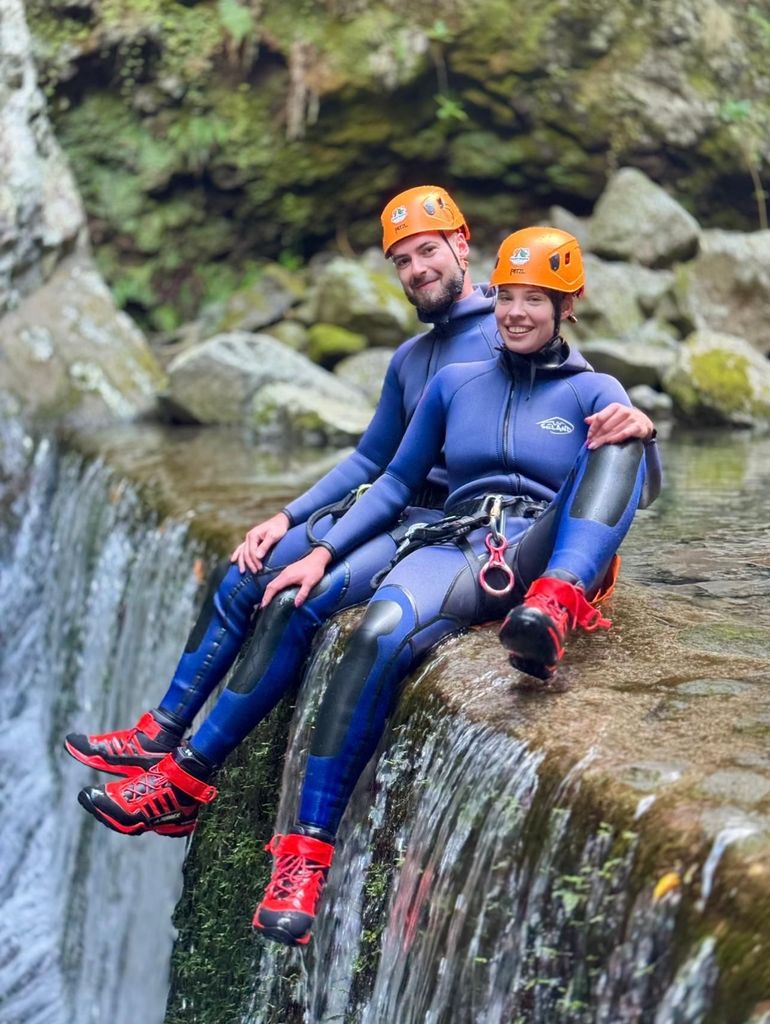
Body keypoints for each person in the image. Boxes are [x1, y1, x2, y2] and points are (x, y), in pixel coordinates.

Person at [66, 198, 654, 841]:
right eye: (402, 260)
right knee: (265, 581)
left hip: (480, 531)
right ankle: (170, 748)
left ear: (463, 246)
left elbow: (619, 467)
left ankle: (556, 602)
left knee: (316, 600)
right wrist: (291, 520)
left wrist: (638, 429)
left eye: (427, 250)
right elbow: (379, 465)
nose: (417, 269)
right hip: (427, 524)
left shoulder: (533, 347)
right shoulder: (425, 363)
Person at [246, 225, 662, 947]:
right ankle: (303, 860)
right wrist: (322, 552)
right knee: (375, 635)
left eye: (536, 299)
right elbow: (393, 484)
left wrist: (644, 432)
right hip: (461, 543)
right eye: (508, 297)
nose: (516, 313)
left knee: (624, 435)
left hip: (545, 547)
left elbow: (640, 490)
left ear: (566, 307)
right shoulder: (454, 382)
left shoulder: (596, 390)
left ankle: (555, 605)